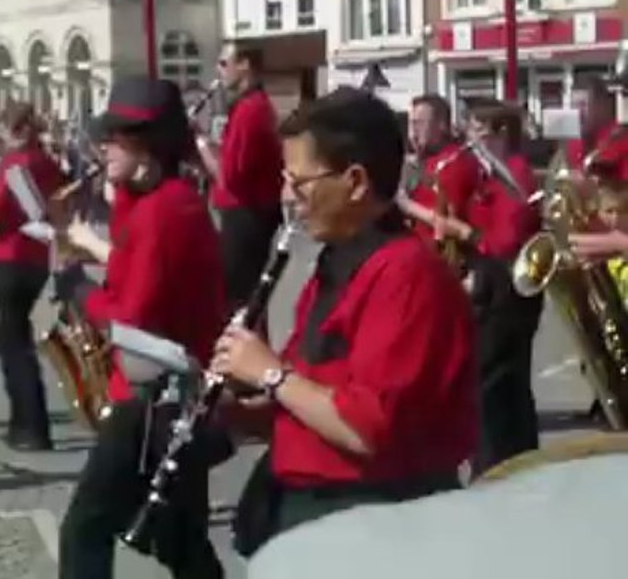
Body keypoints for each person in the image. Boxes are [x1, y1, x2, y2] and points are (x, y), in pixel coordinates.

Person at [214, 87, 476, 552]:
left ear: (355, 182)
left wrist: (270, 372)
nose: (287, 197)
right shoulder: (337, 264)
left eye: (299, 183)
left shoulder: (406, 274)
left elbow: (366, 428)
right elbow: (313, 399)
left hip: (373, 518)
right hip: (315, 505)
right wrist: (237, 414)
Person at [53, 77, 228, 579]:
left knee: (86, 528)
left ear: (147, 148)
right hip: (155, 397)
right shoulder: (157, 202)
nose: (101, 147)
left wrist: (77, 290)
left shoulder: (166, 212)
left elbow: (132, 316)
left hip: (153, 399)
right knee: (177, 539)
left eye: (115, 138)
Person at [418, 101, 542, 475]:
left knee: (495, 389)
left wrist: (461, 233)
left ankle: (498, 469)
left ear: (501, 134)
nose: (471, 140)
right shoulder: (487, 176)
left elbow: (503, 241)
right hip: (493, 287)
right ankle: (510, 462)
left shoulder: (516, 176)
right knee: (500, 392)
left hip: (508, 291)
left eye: (478, 131)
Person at [0, 102, 66, 451]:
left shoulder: (15, 163)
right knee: (14, 334)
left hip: (12, 255)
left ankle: (30, 425)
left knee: (12, 341)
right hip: (39, 257)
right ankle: (23, 422)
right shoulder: (47, 162)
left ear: (18, 129)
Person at [197, 42, 283, 308]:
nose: (218, 70)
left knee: (238, 303)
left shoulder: (250, 110)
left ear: (244, 65)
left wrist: (199, 145)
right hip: (248, 214)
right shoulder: (251, 106)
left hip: (246, 217)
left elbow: (230, 177)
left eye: (224, 63)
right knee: (245, 302)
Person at [398, 94, 480, 255]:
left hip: (440, 257)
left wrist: (406, 205)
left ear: (441, 125)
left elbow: (452, 222)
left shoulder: (454, 162)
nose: (413, 132)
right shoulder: (424, 161)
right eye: (411, 124)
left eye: (419, 123)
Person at [565, 75, 628, 179]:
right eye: (574, 106)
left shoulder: (622, 140)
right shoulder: (574, 143)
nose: (578, 112)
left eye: (584, 105)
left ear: (602, 106)